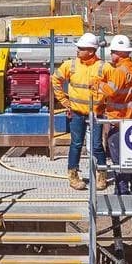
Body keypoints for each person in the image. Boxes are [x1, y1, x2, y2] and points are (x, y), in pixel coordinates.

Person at [54, 32, 110, 190]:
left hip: (96, 113)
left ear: (91, 51)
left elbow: (113, 88)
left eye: (81, 48)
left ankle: (102, 175)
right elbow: (55, 79)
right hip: (77, 113)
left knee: (97, 145)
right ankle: (73, 175)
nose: (77, 51)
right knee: (76, 144)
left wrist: (107, 105)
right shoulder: (70, 65)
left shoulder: (103, 67)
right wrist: (64, 101)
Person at [97, 35, 132, 195]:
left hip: (118, 119)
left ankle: (122, 191)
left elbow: (111, 91)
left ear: (118, 52)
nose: (111, 55)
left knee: (118, 158)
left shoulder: (119, 72)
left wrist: (98, 83)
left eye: (112, 52)